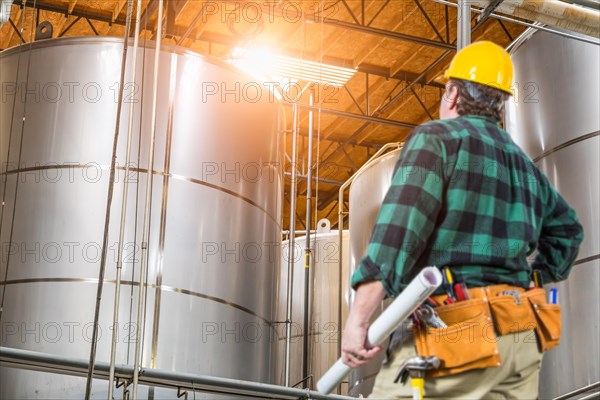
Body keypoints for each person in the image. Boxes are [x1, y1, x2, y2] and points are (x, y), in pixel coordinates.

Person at [341, 41, 584, 399]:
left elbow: (399, 232)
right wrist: (532, 278)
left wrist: (359, 319)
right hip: (520, 335)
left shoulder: (436, 140)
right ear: (500, 104)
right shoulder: (523, 165)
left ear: (452, 94)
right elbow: (569, 231)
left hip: (454, 332)